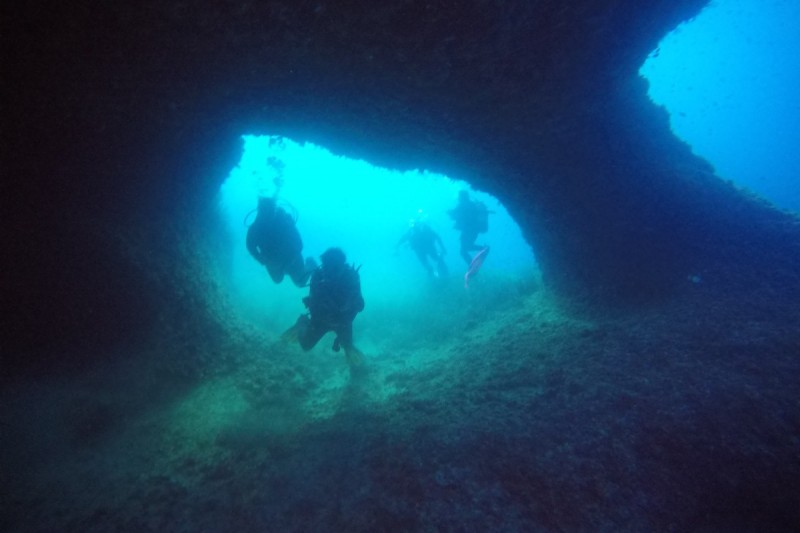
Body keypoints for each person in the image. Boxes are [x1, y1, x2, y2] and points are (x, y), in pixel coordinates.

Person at [282, 247, 365, 366]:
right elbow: (312, 302)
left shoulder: (351, 277)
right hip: (321, 320)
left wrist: (352, 303)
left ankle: (356, 371)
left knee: (349, 349)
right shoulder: (318, 276)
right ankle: (302, 323)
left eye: (335, 268)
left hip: (343, 321)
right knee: (306, 346)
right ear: (323, 265)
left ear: (342, 265)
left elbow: (360, 305)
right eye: (327, 267)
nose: (330, 271)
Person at [246, 196, 316, 287]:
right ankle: (287, 270)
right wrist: (260, 259)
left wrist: (292, 259)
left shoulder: (285, 222)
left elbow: (299, 243)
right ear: (259, 210)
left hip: (292, 257)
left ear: (274, 210)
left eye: (270, 211)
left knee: (300, 282)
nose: (267, 215)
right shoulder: (255, 228)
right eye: (264, 211)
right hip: (272, 260)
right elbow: (250, 245)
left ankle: (310, 264)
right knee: (277, 280)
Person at [447, 190, 490, 264]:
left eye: (459, 197)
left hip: (468, 230)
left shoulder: (462, 205)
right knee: (464, 249)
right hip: (473, 230)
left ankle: (483, 250)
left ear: (462, 197)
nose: (459, 198)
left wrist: (449, 212)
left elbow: (455, 214)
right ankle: (473, 263)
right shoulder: (471, 204)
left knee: (464, 250)